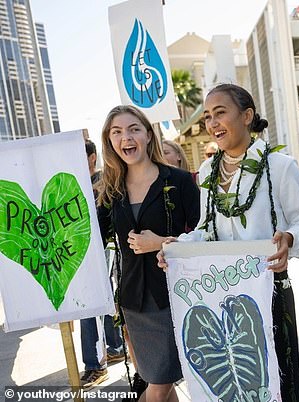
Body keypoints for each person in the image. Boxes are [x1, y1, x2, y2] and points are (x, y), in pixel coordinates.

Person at [158, 83, 299, 402]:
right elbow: (206, 228)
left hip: (268, 292)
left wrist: (288, 238)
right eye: (207, 117)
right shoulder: (207, 171)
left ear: (246, 116)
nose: (213, 123)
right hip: (221, 293)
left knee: (276, 384)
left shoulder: (279, 166)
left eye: (220, 113)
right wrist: (178, 248)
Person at [97, 105, 200, 402]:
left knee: (160, 383)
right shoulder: (111, 191)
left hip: (178, 295)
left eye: (133, 129)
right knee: (160, 382)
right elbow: (92, 237)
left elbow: (205, 235)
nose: (126, 137)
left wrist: (162, 243)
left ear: (147, 135)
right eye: (117, 132)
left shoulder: (178, 181)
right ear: (110, 142)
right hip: (134, 302)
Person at [79, 139, 125, 388]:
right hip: (82, 251)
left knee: (92, 304)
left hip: (101, 248)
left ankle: (96, 366)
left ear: (92, 157)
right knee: (100, 301)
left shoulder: (104, 181)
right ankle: (115, 346)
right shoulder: (74, 180)